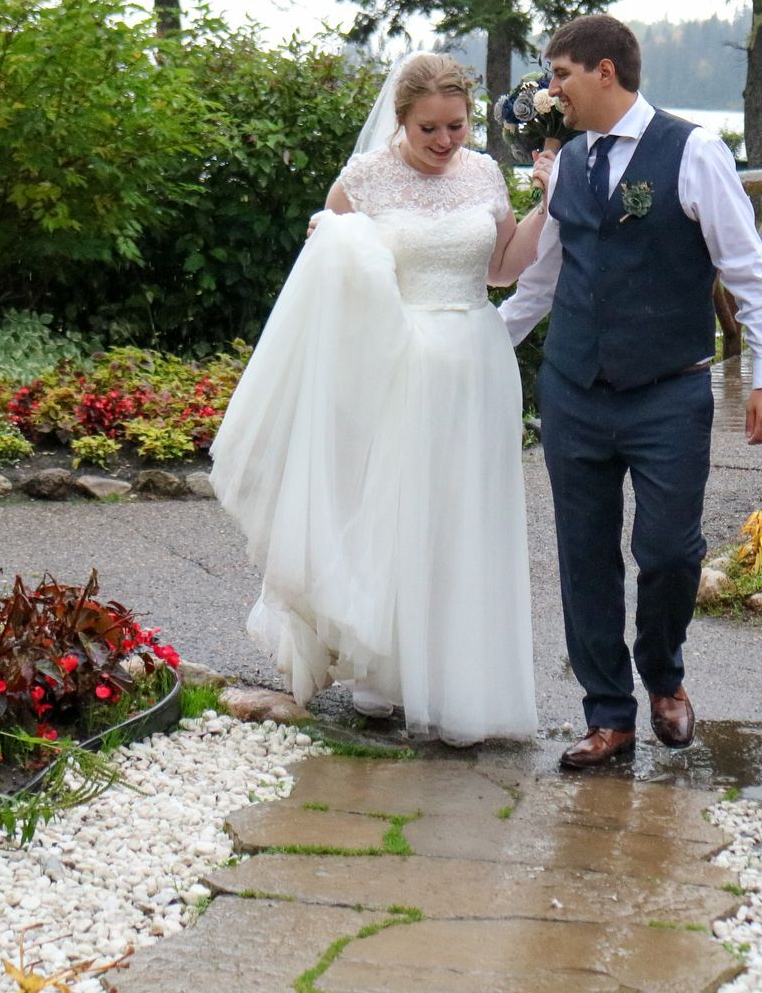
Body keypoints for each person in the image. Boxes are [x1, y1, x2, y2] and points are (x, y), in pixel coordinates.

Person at [210, 52, 547, 745]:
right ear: (402, 119)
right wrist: (329, 246)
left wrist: (549, 206)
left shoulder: (483, 172)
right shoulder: (363, 179)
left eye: (456, 127)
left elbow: (502, 269)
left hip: (478, 365)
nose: (446, 142)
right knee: (395, 511)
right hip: (399, 364)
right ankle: (380, 667)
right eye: (430, 129)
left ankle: (456, 678)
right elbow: (324, 287)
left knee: (463, 517)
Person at [499, 14, 762, 770]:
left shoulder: (692, 151)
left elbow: (749, 273)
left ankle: (663, 674)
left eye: (559, 74)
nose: (549, 90)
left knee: (667, 551)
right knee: (584, 555)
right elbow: (542, 280)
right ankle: (608, 716)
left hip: (669, 391)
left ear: (603, 72)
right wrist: (475, 348)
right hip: (574, 391)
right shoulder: (563, 165)